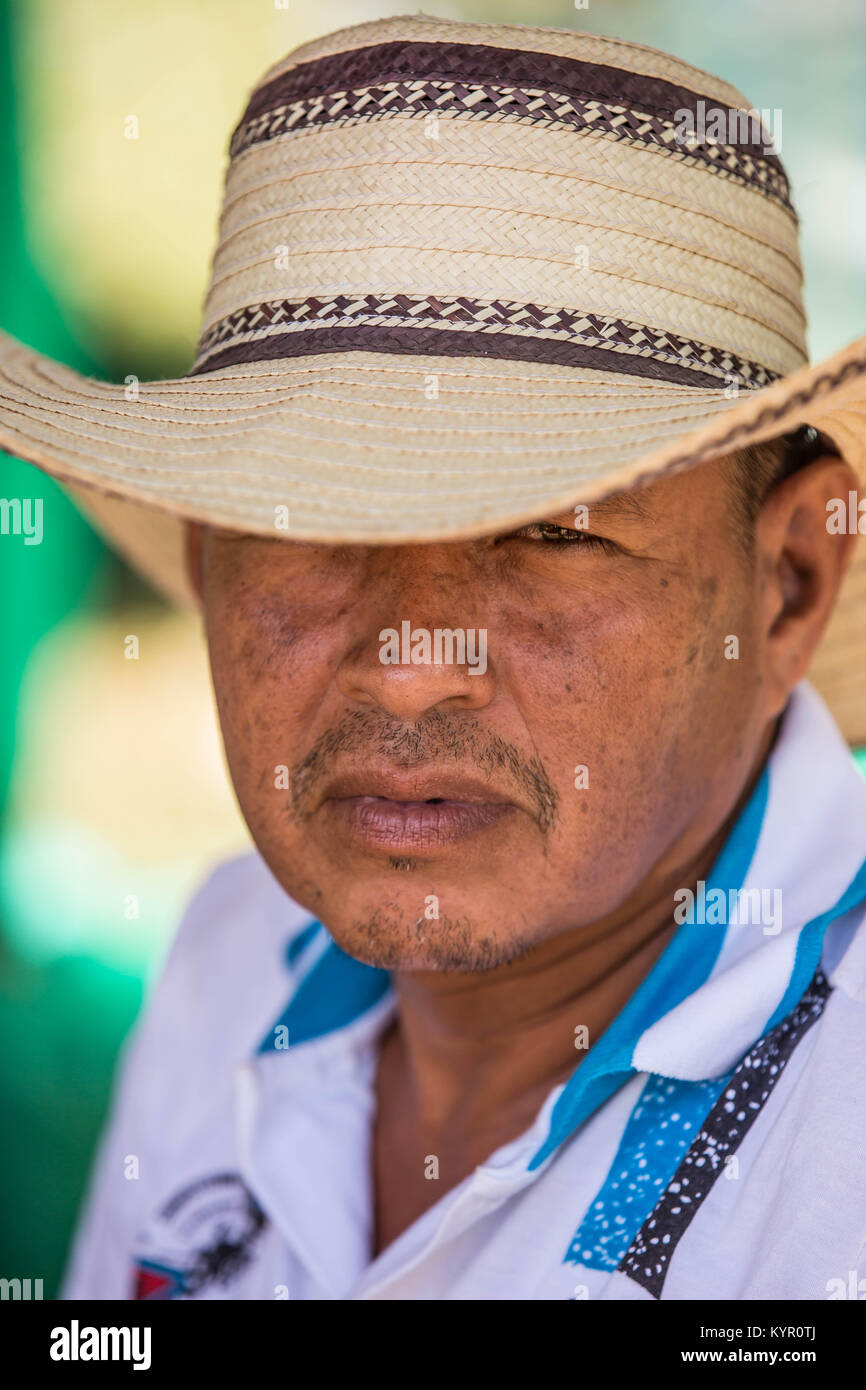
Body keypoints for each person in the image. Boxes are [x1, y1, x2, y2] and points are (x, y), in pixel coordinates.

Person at [1, 14, 864, 1300]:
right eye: (306, 523)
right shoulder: (232, 955)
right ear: (200, 567)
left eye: (552, 533)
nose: (408, 668)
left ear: (786, 583)